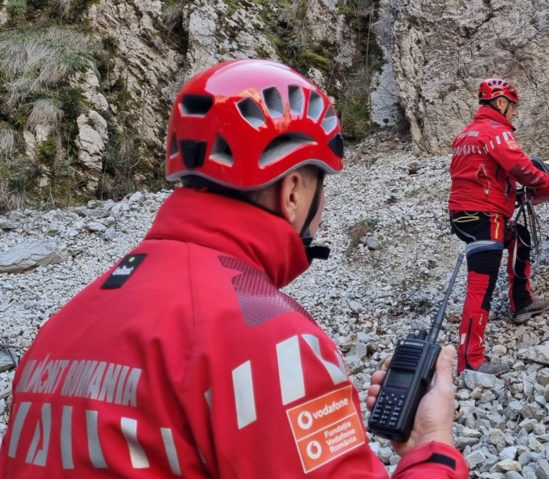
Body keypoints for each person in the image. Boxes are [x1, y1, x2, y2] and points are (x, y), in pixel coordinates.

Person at [0, 59, 468, 479]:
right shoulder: (269, 337)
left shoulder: (65, 324)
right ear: (293, 192)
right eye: (320, 191)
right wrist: (431, 449)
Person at [448, 78, 549, 376]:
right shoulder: (496, 133)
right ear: (500, 103)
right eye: (512, 106)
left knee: (519, 238)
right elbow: (520, 166)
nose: (514, 113)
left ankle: (522, 301)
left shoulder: (466, 134)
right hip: (484, 217)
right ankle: (470, 359)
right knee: (480, 287)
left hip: (464, 214)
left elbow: (480, 173)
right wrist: (547, 182)